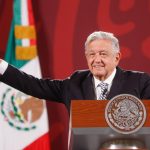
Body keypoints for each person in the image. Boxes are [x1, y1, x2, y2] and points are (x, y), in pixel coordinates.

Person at [0, 31, 150, 113]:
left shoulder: (139, 82)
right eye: (92, 54)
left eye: (103, 54)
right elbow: (34, 85)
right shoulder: (75, 83)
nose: (96, 59)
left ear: (117, 57)